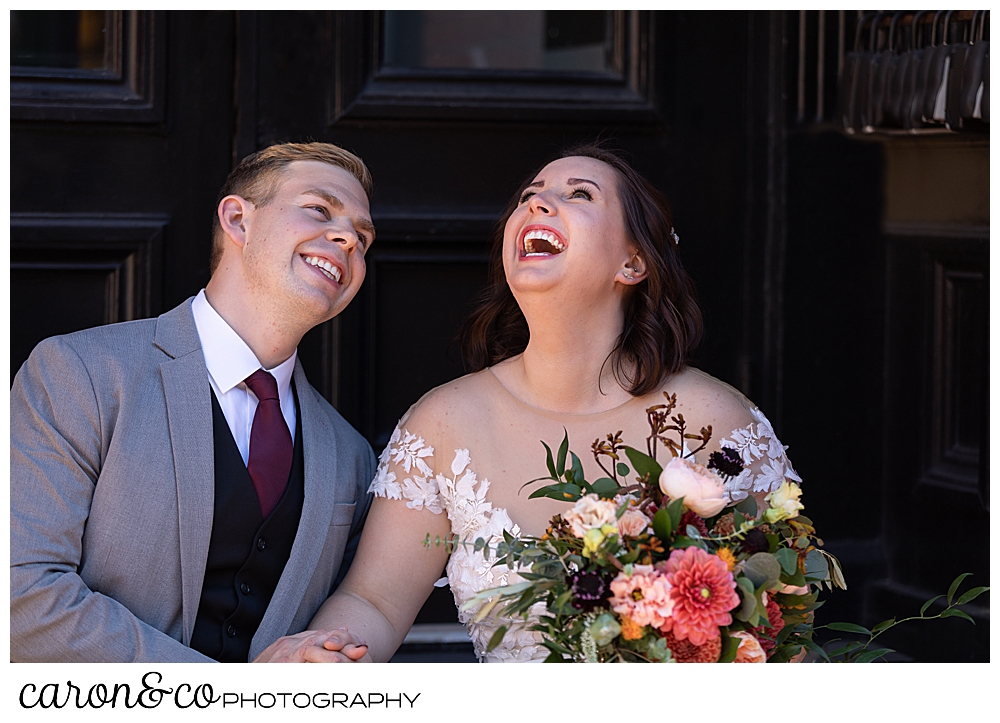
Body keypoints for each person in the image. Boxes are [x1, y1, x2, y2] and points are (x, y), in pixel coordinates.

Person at [266, 144, 802, 663]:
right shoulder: (444, 424)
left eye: (580, 195)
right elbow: (374, 602)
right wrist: (328, 655)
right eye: (531, 193)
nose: (536, 203)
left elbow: (785, 628)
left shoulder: (718, 423)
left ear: (633, 263)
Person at [10, 141, 377, 663]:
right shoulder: (81, 374)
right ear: (238, 220)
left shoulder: (351, 456)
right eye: (320, 210)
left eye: (362, 238)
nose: (348, 239)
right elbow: (20, 593)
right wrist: (229, 699)